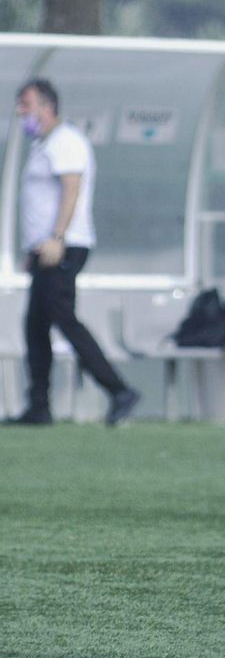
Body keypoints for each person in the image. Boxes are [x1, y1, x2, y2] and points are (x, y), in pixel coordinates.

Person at [7, 79, 140, 427]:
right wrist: (35, 249)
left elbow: (71, 190)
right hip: (45, 249)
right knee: (35, 325)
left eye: (26, 104)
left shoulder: (66, 142)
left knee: (63, 318)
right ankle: (39, 406)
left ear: (46, 107)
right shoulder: (43, 144)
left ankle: (119, 390)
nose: (21, 111)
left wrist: (56, 238)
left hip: (63, 246)